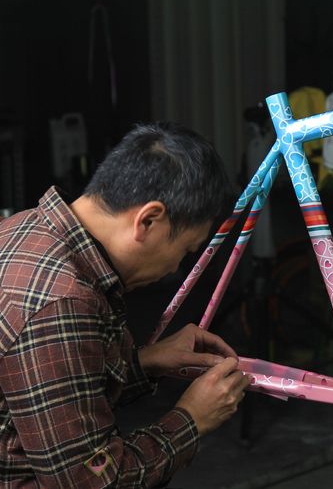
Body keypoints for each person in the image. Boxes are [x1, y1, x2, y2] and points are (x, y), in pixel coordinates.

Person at [0, 122, 250, 487]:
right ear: (148, 220)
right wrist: (192, 418)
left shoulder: (21, 228)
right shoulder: (61, 304)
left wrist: (141, 364)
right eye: (184, 250)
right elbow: (94, 481)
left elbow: (41, 397)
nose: (175, 268)